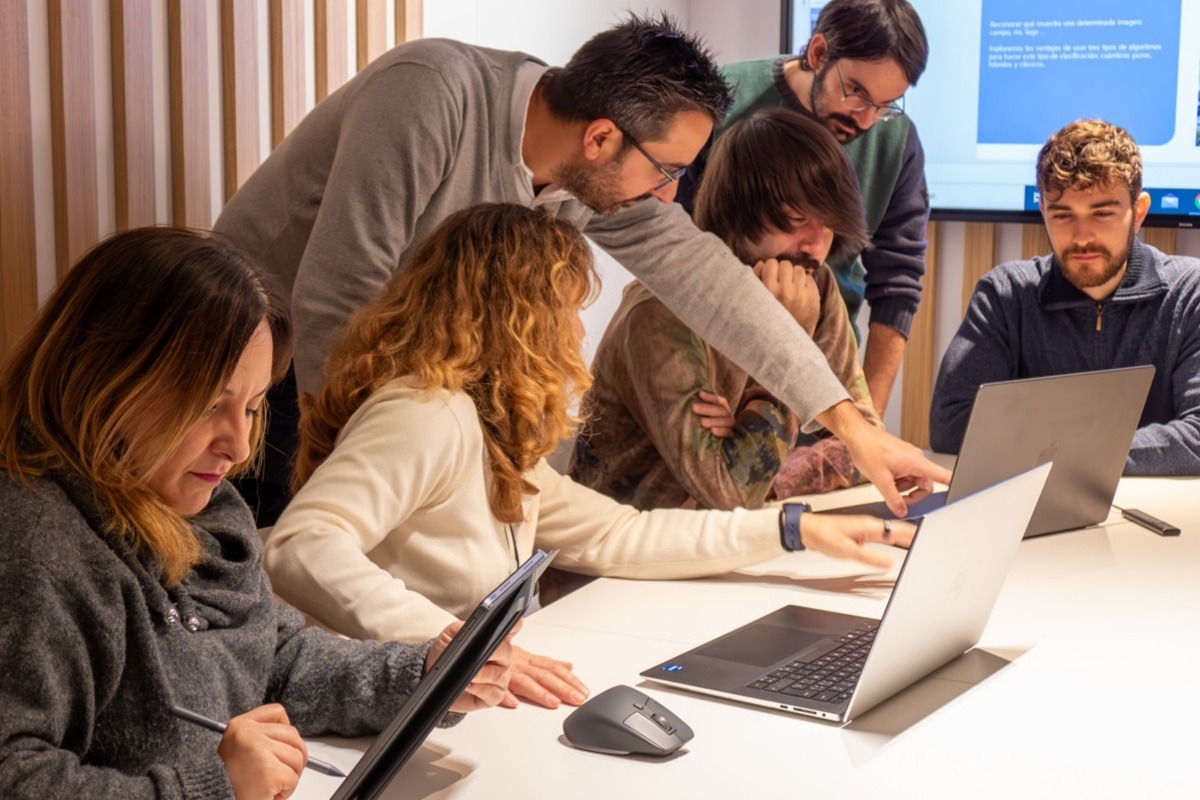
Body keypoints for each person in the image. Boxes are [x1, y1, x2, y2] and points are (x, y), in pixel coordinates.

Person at [214, 12, 949, 527]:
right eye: (667, 172)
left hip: (392, 392)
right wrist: (380, 471)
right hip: (267, 375)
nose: (670, 196)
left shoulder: (582, 173)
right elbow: (337, 298)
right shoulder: (430, 92)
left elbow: (709, 279)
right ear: (601, 137)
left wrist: (853, 427)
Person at [262, 204, 912, 712]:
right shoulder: (426, 412)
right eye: (570, 311)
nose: (576, 333)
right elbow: (301, 546)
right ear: (518, 318)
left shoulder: (484, 424)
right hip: (397, 701)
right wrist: (457, 649)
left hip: (454, 697)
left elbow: (618, 534)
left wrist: (792, 528)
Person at [0, 228, 513, 800]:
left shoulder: (201, 507)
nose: (240, 447)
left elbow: (273, 659)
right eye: (207, 405)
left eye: (251, 406)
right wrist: (212, 788)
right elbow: (14, 774)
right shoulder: (33, 546)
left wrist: (422, 676)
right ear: (103, 377)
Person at [572, 108, 879, 511]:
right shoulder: (661, 313)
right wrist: (790, 343)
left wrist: (749, 444)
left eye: (828, 223)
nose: (816, 246)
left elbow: (864, 440)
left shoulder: (812, 282)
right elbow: (732, 491)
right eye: (798, 219)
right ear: (740, 211)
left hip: (717, 544)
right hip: (623, 558)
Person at [677, 0, 930, 416]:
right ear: (817, 53)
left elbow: (898, 285)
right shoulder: (716, 100)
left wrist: (869, 422)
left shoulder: (897, 143)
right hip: (711, 374)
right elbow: (677, 248)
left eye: (886, 105)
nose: (867, 121)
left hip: (826, 371)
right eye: (857, 93)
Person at [930, 119, 1200, 475]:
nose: (1082, 236)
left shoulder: (1188, 294)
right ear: (1043, 211)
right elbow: (952, 424)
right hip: (1038, 517)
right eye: (1062, 215)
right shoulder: (1006, 295)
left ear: (1138, 212)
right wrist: (1089, 450)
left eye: (1102, 213)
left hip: (1155, 515)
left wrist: (1060, 449)